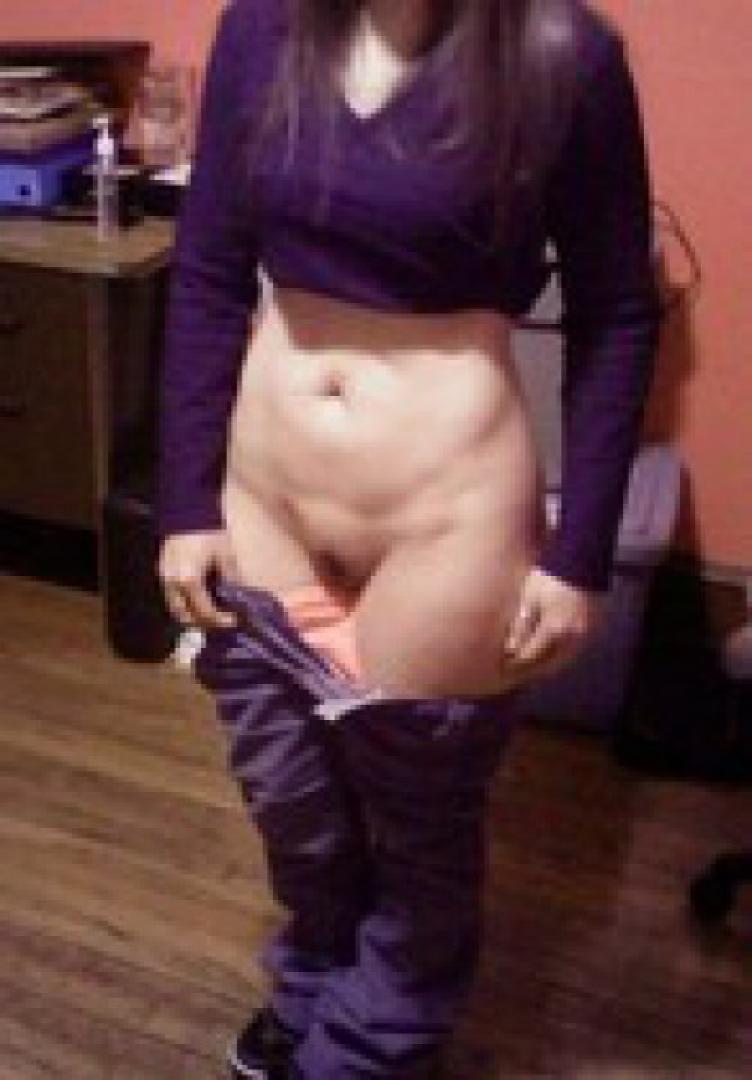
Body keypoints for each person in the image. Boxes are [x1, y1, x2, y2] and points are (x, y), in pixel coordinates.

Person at [156, 0, 662, 1076]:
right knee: (290, 799)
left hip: (445, 520)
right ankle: (315, 976)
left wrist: (579, 555)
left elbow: (618, 312)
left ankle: (374, 1040)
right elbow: (206, 272)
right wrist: (185, 502)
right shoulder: (261, 29)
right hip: (265, 499)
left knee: (422, 821)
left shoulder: (563, 54)